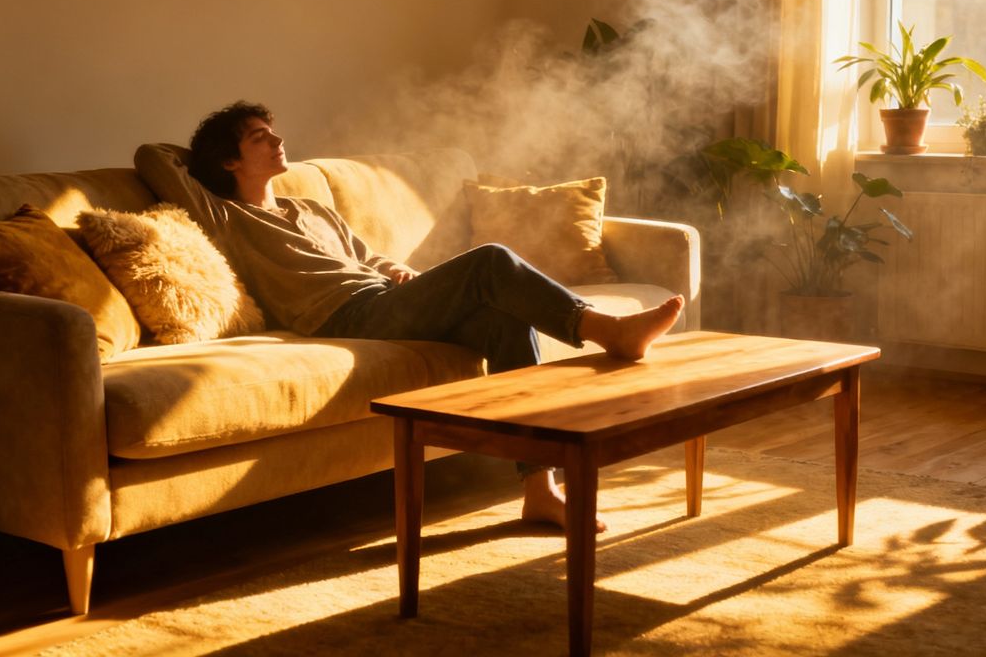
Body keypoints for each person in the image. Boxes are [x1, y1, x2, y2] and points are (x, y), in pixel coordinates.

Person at [135, 101, 684, 533]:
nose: (278, 141)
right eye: (259, 137)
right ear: (228, 161)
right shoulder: (226, 216)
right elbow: (152, 158)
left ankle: (539, 490)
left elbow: (366, 257)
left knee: (503, 322)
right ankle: (607, 332)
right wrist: (203, 153)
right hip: (345, 316)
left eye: (273, 131)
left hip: (382, 298)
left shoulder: (311, 208)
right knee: (492, 260)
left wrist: (399, 271)